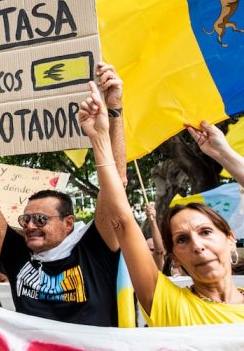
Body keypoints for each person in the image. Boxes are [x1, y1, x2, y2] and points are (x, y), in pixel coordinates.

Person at [0, 62, 124, 326]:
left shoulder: (95, 247)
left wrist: (114, 106)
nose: (30, 226)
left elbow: (115, 183)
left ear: (68, 223)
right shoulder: (18, 254)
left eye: (40, 219)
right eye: (26, 220)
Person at [89, 99, 244, 326]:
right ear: (174, 258)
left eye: (206, 232)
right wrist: (102, 134)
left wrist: (223, 154)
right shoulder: (166, 303)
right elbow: (120, 219)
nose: (197, 245)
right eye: (182, 239)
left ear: (230, 238)